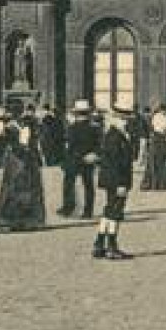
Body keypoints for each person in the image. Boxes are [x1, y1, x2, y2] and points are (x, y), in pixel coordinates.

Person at [0, 117, 46, 232]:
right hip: (16, 159)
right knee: (13, 187)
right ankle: (11, 219)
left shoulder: (29, 126)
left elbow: (35, 142)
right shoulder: (10, 127)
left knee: (29, 187)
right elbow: (1, 142)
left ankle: (28, 220)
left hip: (27, 159)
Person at [93, 105, 135, 260]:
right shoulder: (116, 137)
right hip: (116, 180)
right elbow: (116, 162)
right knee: (116, 212)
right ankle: (111, 246)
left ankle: (99, 243)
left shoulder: (112, 135)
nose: (126, 122)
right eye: (123, 119)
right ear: (116, 119)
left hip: (111, 179)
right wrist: (121, 183)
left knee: (109, 210)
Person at [58, 100, 100, 218]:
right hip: (88, 159)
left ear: (76, 113)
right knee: (88, 185)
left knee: (69, 183)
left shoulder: (72, 128)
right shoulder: (94, 127)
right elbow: (99, 145)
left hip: (74, 159)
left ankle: (68, 207)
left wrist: (65, 161)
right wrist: (94, 155)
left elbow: (69, 146)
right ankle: (88, 211)